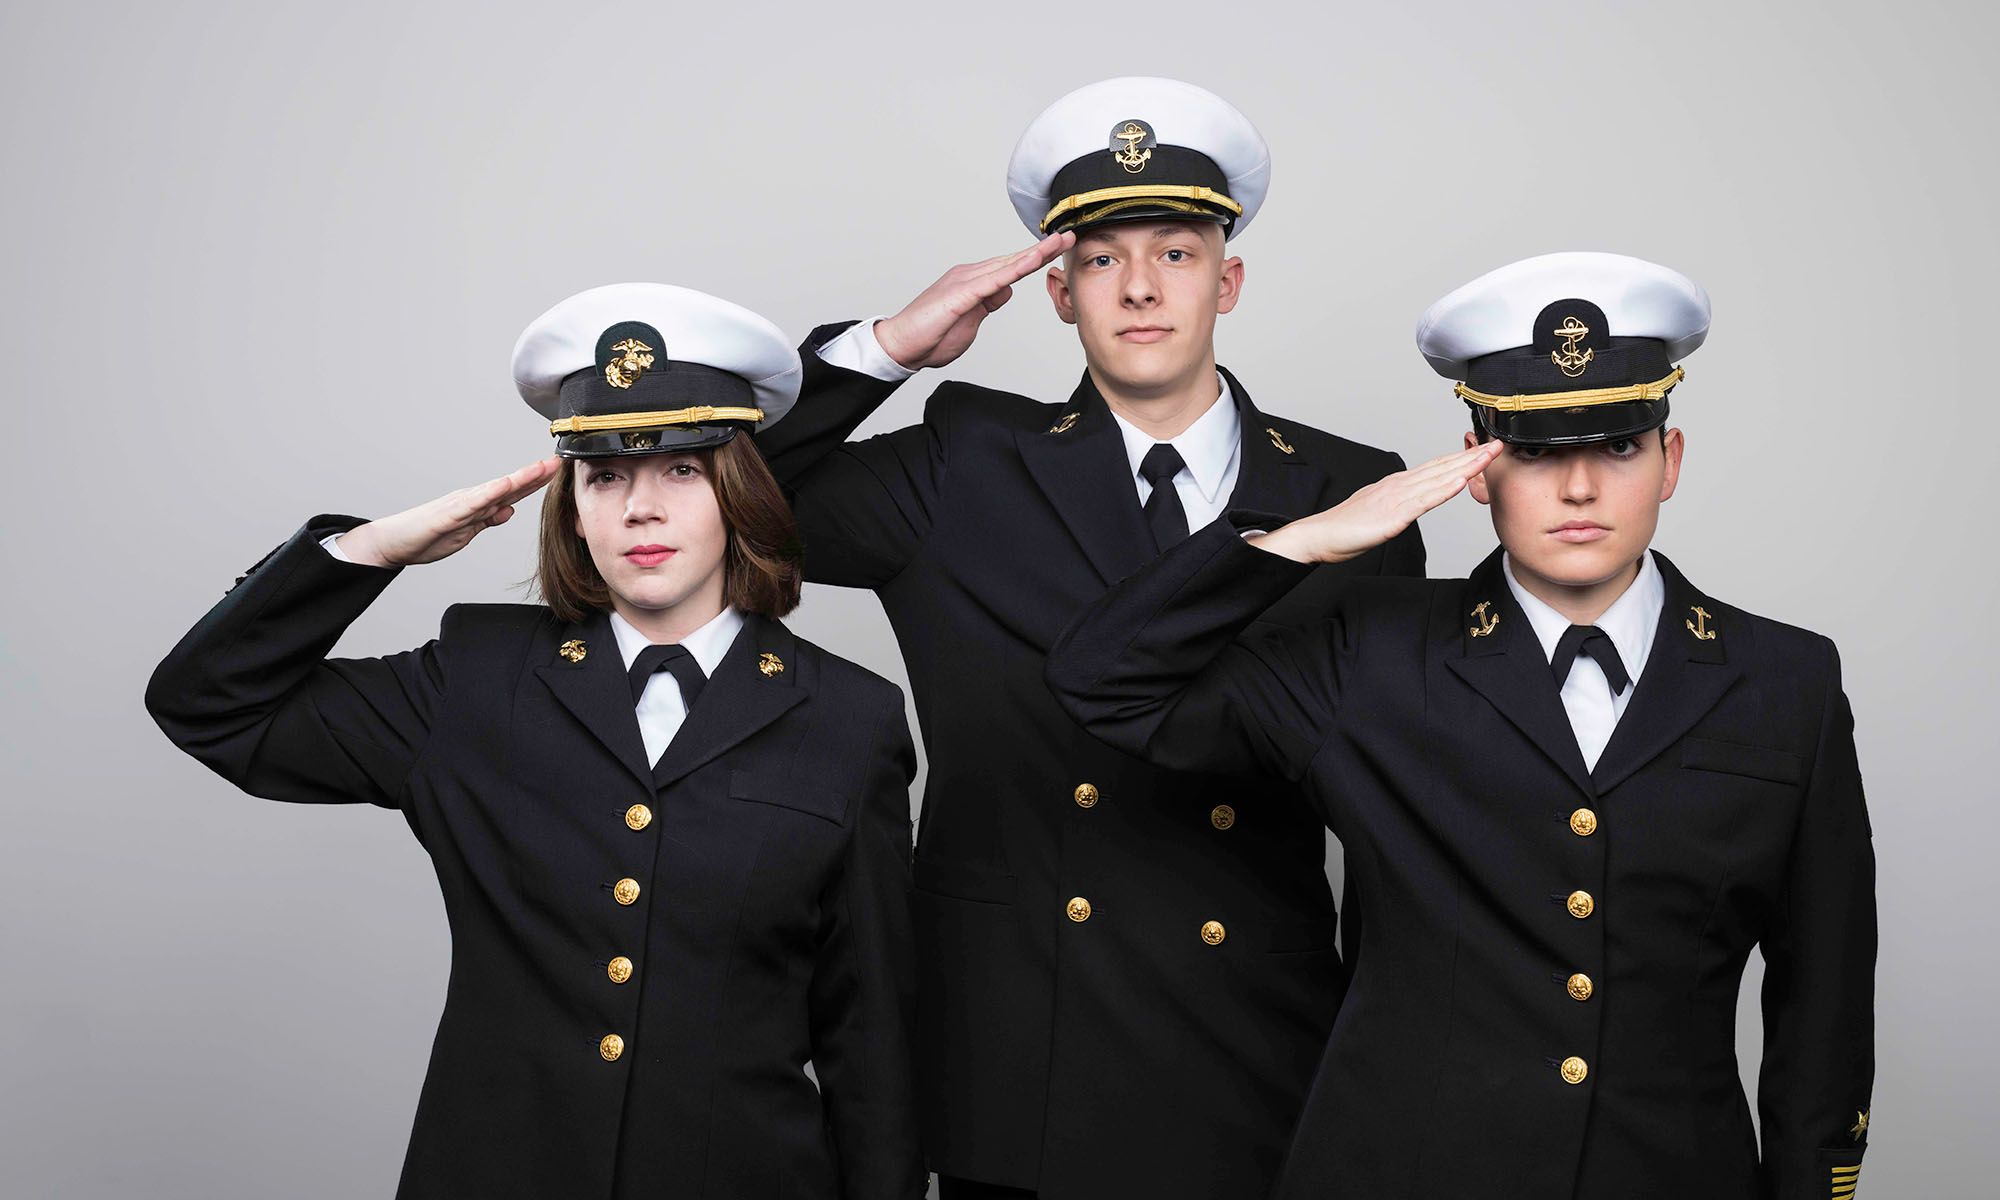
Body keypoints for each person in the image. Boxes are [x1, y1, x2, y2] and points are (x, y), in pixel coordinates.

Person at [1047, 252, 1875, 1200]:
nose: (1577, 489)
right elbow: (1102, 682)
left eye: (1616, 447)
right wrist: (1297, 545)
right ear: (1477, 471)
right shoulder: (1368, 651)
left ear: (1670, 461)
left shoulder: (1786, 680)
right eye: (1531, 451)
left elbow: (1826, 990)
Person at [756, 77, 1424, 1199]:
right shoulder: (960, 461)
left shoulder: (1348, 493)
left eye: (1175, 251)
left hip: (1257, 1044)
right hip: (1018, 1043)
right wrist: (885, 349)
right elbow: (714, 507)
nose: (1140, 287)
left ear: (1230, 278)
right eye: (1102, 259)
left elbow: (1385, 802)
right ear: (1058, 293)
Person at [146, 284, 926, 1200]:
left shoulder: (849, 716)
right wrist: (371, 551)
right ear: (573, 504)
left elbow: (870, 1034)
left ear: (739, 491)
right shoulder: (473, 681)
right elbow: (210, 705)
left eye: (683, 470)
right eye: (604, 475)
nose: (641, 508)